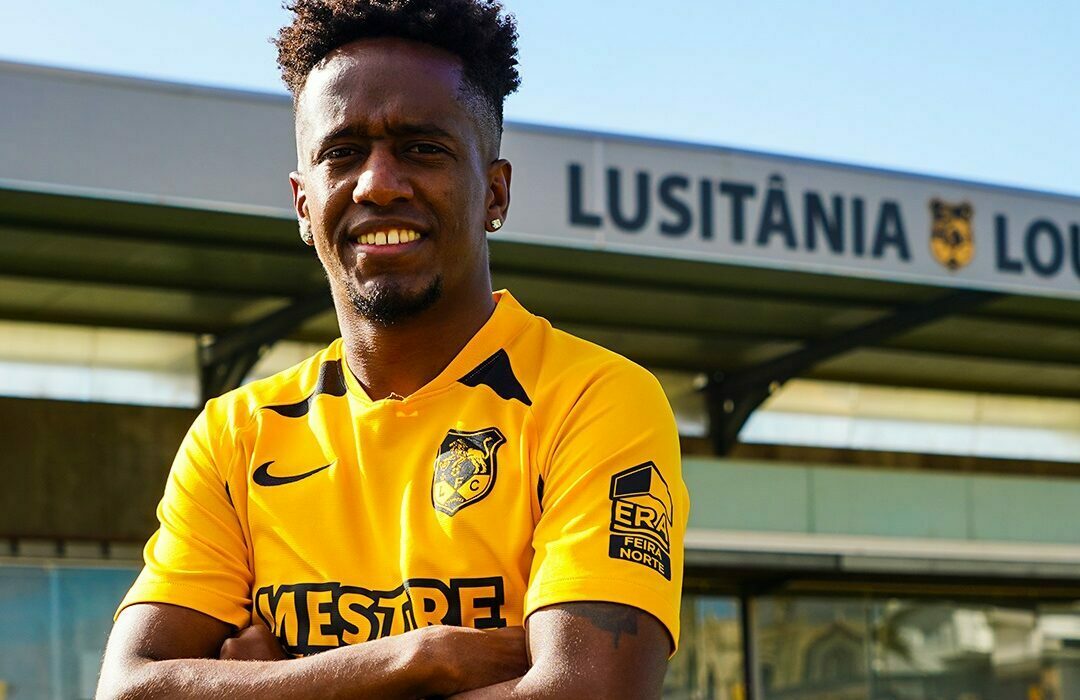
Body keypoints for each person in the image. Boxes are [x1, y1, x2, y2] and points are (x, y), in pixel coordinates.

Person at [96, 1, 688, 697]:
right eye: (342, 153)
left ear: (495, 193)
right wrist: (421, 658)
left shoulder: (592, 400)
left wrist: (277, 684)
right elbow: (131, 688)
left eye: (422, 148)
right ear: (303, 202)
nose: (378, 183)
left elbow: (588, 692)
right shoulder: (237, 434)